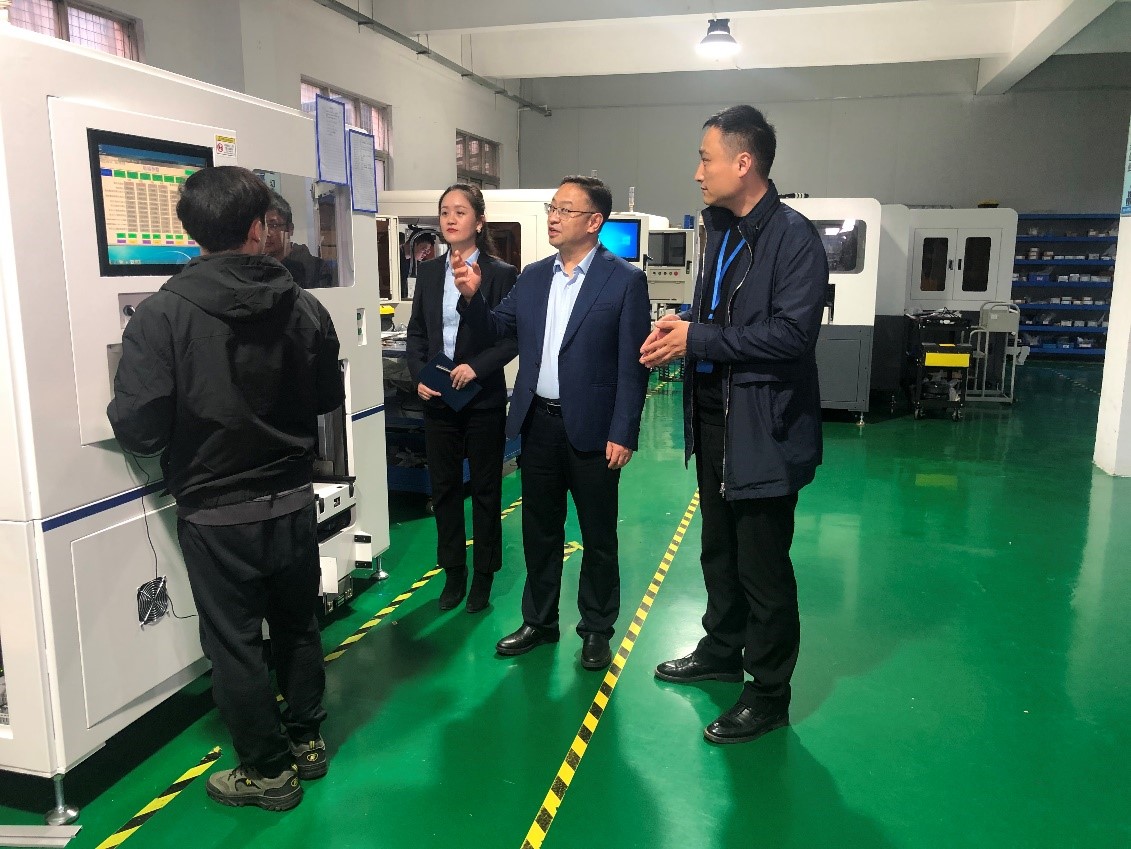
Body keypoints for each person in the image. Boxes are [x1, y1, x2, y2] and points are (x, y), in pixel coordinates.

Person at [107, 166, 344, 809]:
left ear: (191, 230)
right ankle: (307, 740)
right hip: (291, 500)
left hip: (216, 512)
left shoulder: (161, 315)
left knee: (235, 644)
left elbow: (140, 426)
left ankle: (267, 772)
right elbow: (326, 395)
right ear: (259, 227)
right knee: (297, 625)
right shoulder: (304, 305)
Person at [640, 105, 828, 745]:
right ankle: (722, 648)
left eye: (706, 158)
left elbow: (792, 336)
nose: (698, 172)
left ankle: (769, 692)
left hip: (764, 429)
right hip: (717, 417)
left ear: (743, 163)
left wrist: (699, 338)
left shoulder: (793, 238)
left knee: (762, 568)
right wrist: (684, 330)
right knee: (718, 551)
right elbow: (720, 320)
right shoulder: (721, 231)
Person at [452, 176, 650, 671]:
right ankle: (539, 622)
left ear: (594, 221)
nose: (554, 218)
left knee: (598, 536)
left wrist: (624, 430)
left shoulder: (624, 281)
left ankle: (596, 628)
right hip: (537, 424)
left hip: (594, 430)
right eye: (552, 208)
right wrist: (473, 297)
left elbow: (634, 363)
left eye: (565, 209)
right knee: (540, 531)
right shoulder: (536, 276)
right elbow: (498, 329)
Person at [406, 184, 518, 613]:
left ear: (479, 221)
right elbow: (418, 333)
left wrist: (477, 367)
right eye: (444, 212)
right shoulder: (430, 272)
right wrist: (419, 375)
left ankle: (484, 575)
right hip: (438, 400)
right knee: (445, 490)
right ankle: (453, 572)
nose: (451, 219)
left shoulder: (501, 274)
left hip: (482, 400)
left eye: (460, 211)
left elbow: (510, 339)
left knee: (486, 490)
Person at [265, 191, 333, 289]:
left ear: (290, 229)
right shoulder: (256, 266)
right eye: (262, 226)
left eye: (273, 225)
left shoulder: (315, 268)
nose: (266, 233)